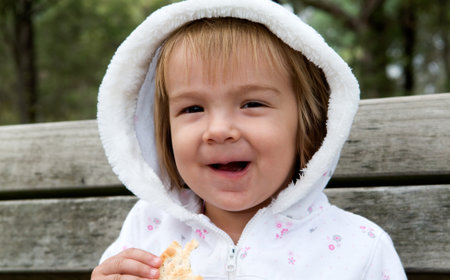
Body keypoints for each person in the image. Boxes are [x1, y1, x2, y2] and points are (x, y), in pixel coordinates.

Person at [92, 0, 407, 279]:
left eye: (252, 104)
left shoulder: (359, 250)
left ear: (308, 124)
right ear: (164, 131)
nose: (218, 130)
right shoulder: (146, 233)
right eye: (193, 108)